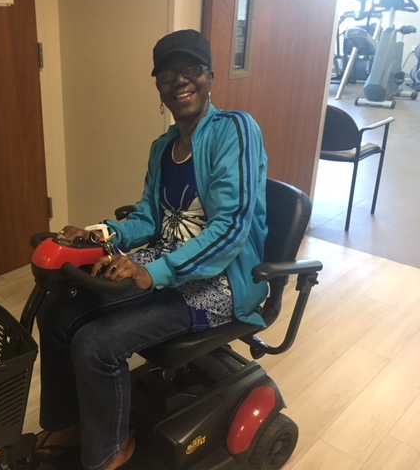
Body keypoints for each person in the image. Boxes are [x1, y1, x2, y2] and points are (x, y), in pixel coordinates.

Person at [35, 29, 269, 470]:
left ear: (210, 76)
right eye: (167, 73)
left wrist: (152, 272)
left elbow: (231, 228)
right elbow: (147, 218)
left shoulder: (235, 129)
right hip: (164, 264)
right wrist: (98, 234)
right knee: (57, 311)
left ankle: (111, 450)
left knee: (97, 344)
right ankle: (69, 424)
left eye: (191, 69)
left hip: (221, 281)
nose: (180, 80)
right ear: (158, 85)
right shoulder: (163, 147)